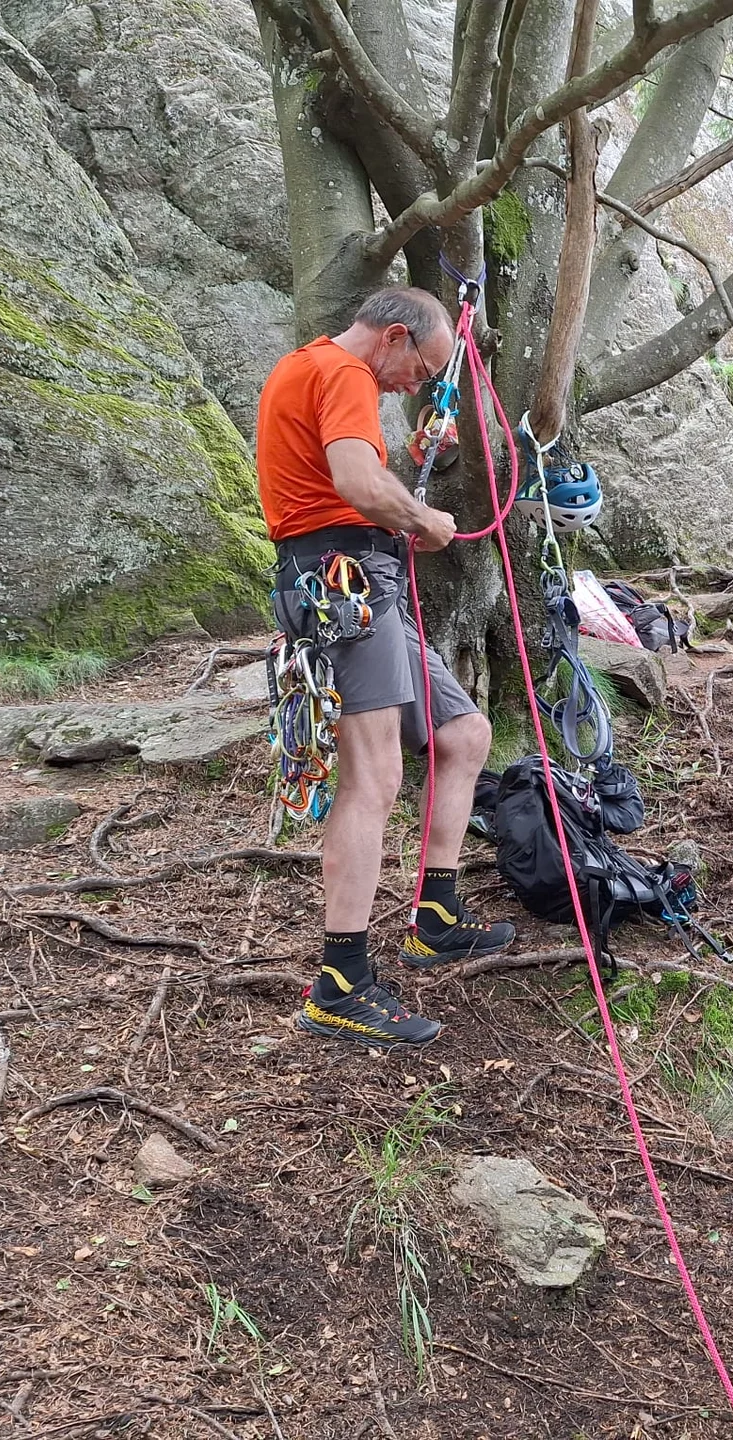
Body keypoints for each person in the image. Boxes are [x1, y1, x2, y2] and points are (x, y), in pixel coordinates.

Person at [257, 287, 516, 1048]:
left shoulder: (311, 370)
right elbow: (358, 485)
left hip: (366, 586)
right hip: (343, 584)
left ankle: (434, 915)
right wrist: (424, 518)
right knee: (373, 780)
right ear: (393, 336)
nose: (419, 386)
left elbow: (352, 476)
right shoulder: (342, 374)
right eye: (422, 369)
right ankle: (341, 982)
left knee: (464, 734)